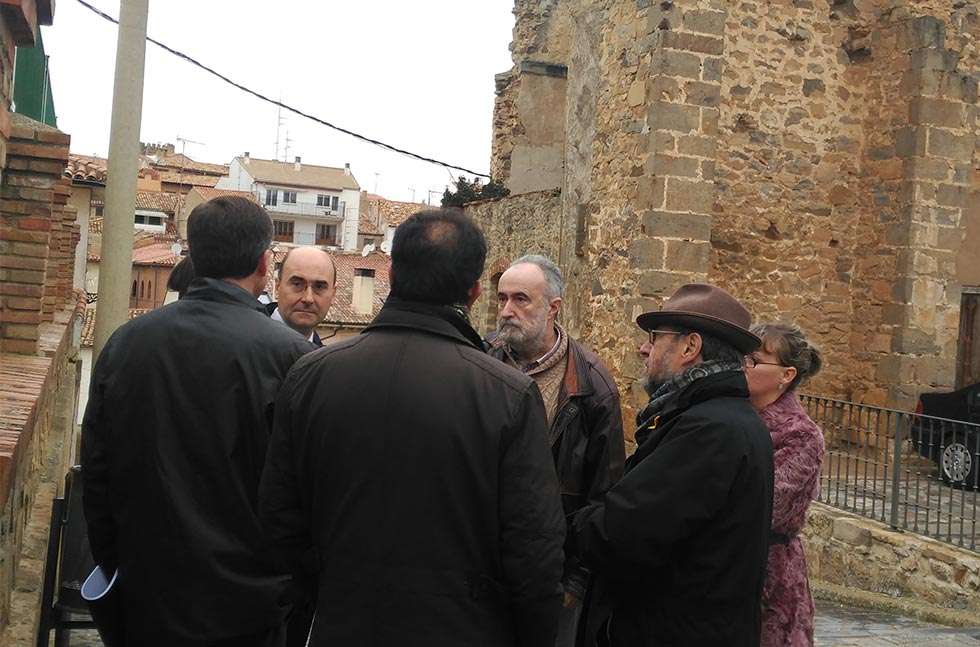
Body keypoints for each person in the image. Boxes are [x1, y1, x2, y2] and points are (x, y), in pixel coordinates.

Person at [259, 208, 566, 647]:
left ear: (391, 275)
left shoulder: (311, 377)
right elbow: (534, 554)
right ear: (476, 291)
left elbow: (279, 524)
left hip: (337, 622)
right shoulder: (508, 396)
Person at [81, 196, 314, 647]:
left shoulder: (127, 344)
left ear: (192, 255)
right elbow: (302, 491)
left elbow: (97, 470)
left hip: (147, 595)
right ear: (267, 263)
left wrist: (116, 566)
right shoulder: (292, 358)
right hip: (251, 607)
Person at [570, 283, 774, 647]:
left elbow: (618, 535)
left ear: (690, 347)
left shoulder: (710, 430)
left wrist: (578, 518)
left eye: (655, 337)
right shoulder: (716, 418)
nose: (643, 347)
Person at [489, 254, 625, 646]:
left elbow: (604, 492)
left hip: (551, 573)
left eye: (520, 299)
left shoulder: (592, 388)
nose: (507, 311)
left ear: (553, 307)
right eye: (501, 299)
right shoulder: (480, 364)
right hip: (483, 567)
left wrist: (576, 580)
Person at [745, 323, 825, 647]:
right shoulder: (734, 416)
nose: (744, 366)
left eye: (755, 360)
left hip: (771, 576)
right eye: (744, 357)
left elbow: (764, 504)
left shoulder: (802, 435)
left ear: (786, 375)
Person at [265, 246, 337, 347]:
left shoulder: (327, 361)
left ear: (333, 294)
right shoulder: (244, 343)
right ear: (278, 286)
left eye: (319, 287)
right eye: (297, 284)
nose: (308, 299)